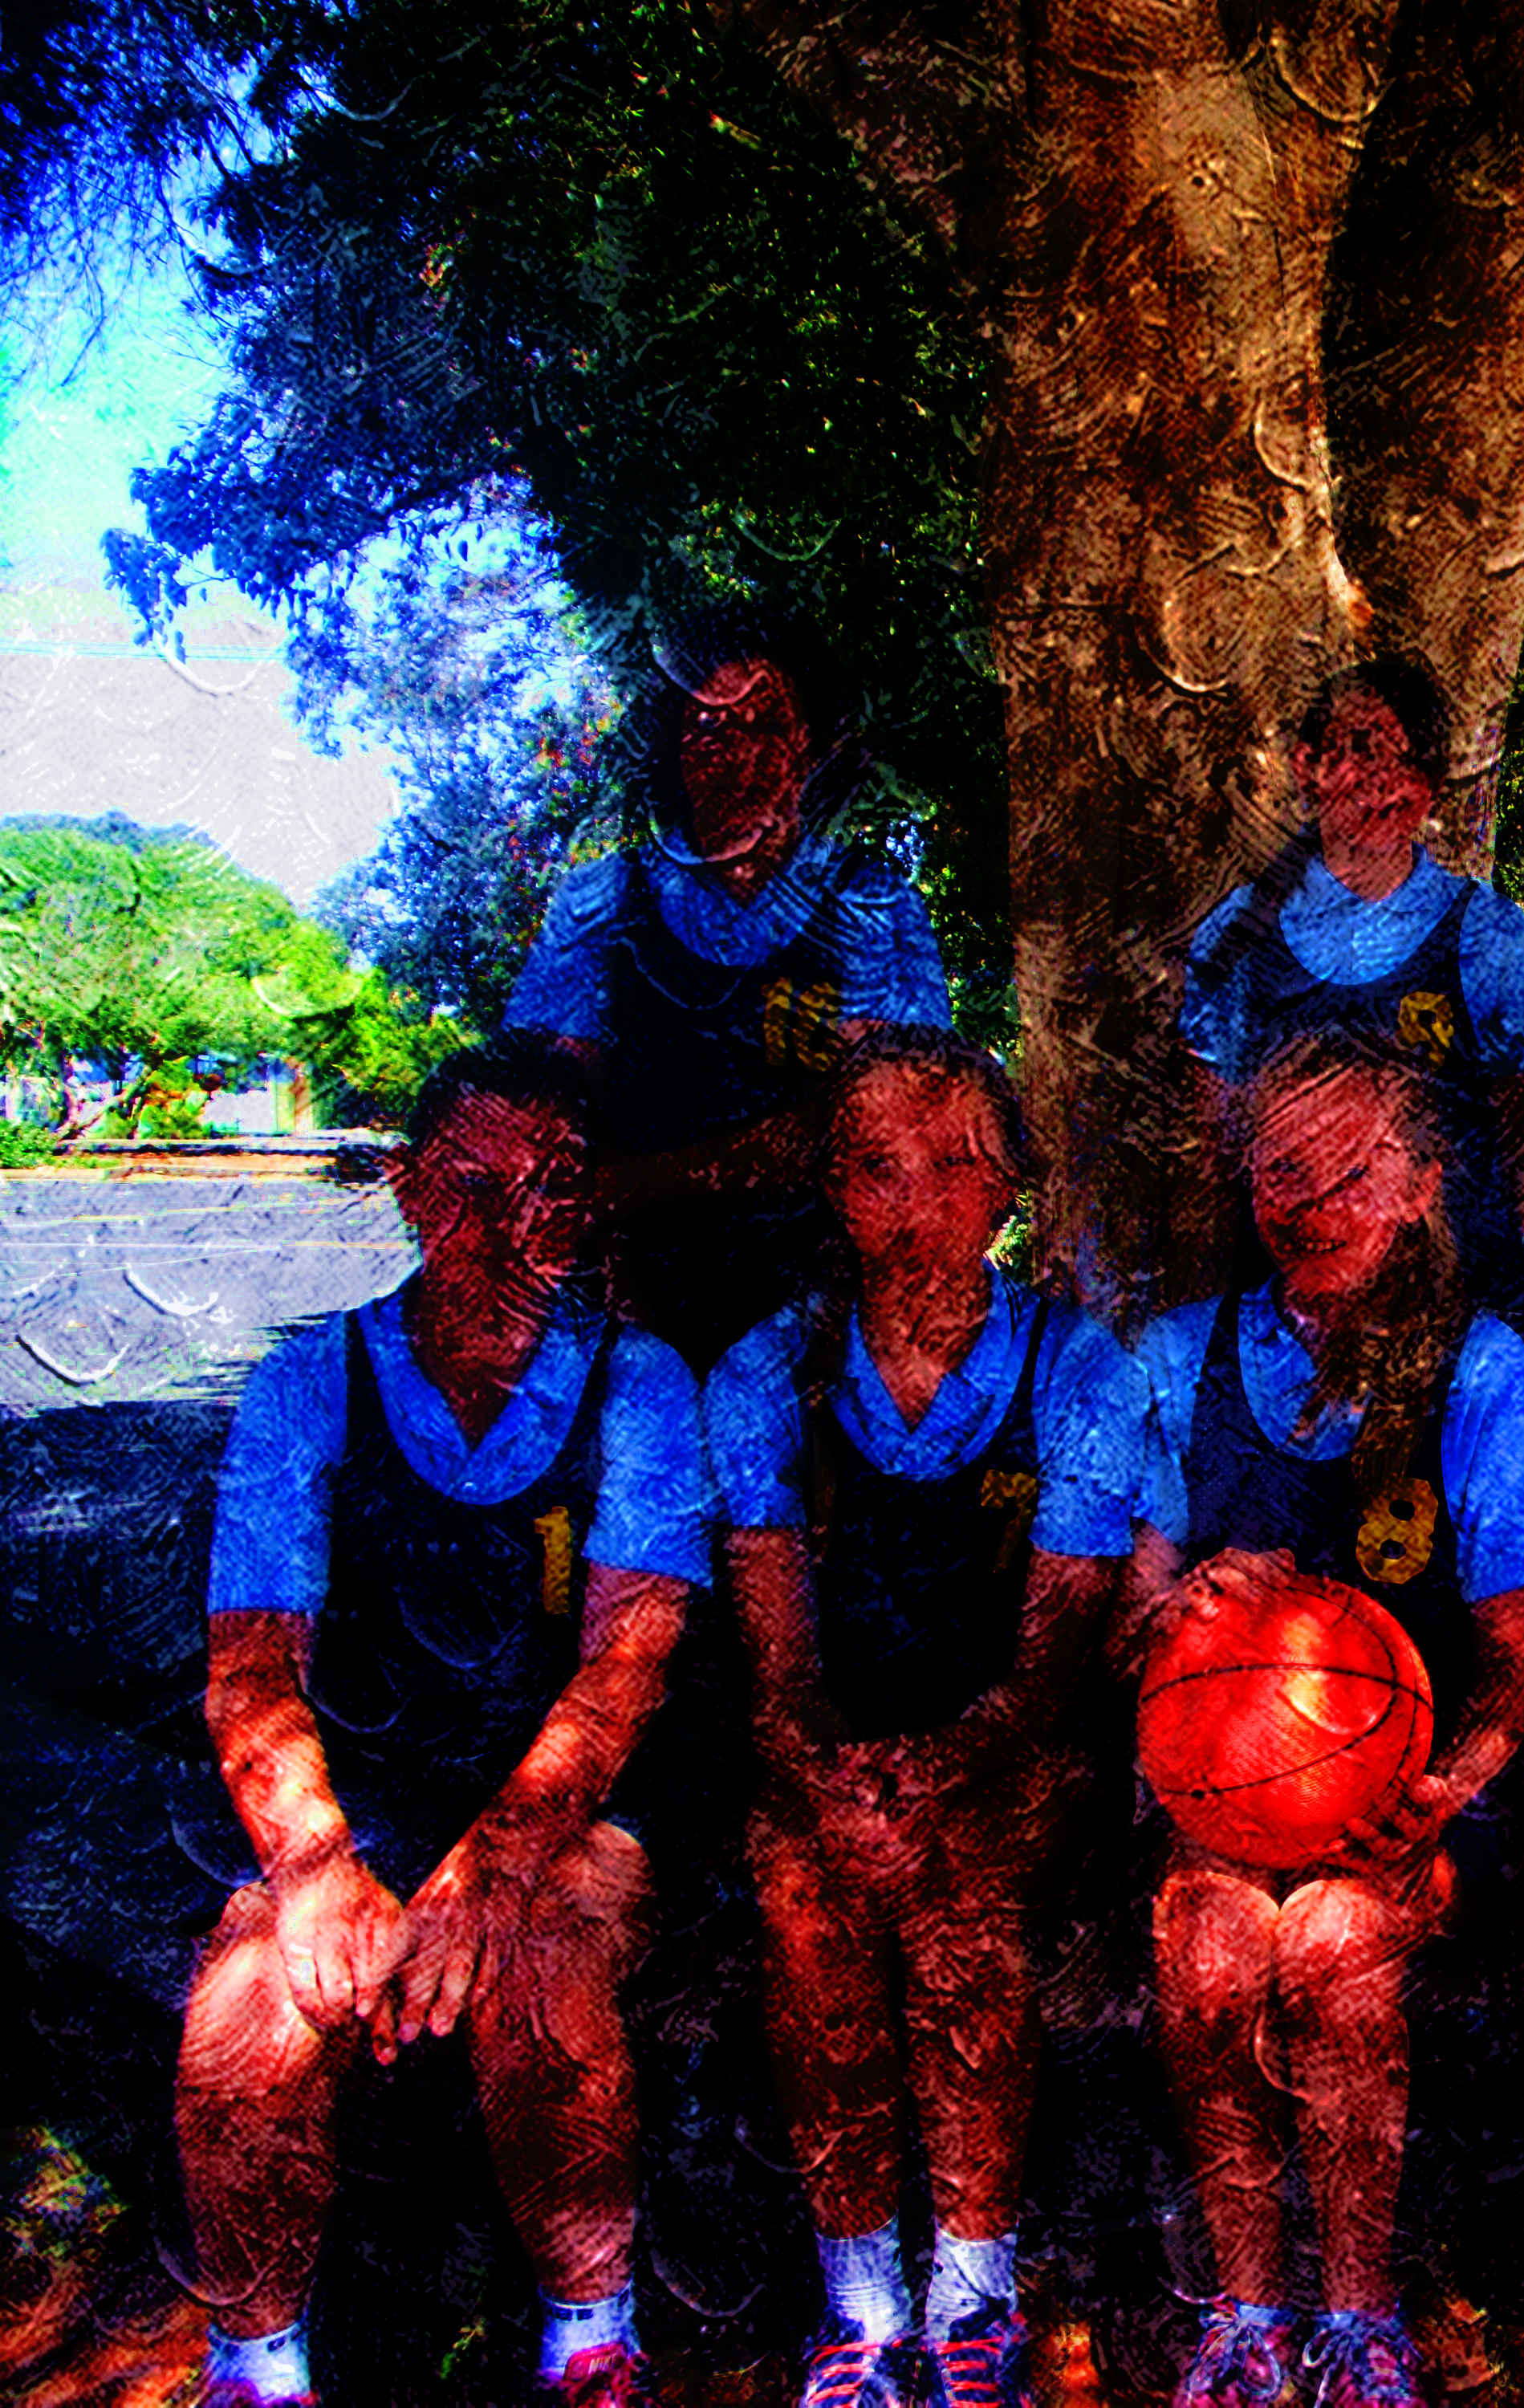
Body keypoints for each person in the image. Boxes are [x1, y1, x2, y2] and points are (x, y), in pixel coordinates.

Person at [177, 1037, 713, 2408]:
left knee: (542, 1969)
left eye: (546, 1193)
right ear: (411, 1189)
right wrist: (314, 1868)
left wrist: (491, 1871)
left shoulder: (639, 1383)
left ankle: (590, 2344)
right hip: (358, 1802)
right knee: (250, 2008)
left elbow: (626, 1669)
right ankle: (257, 2368)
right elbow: (253, 1666)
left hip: (567, 1807)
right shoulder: (309, 1381)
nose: (505, 1229)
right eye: (472, 1187)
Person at [1133, 1029, 1524, 2408]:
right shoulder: (1179, 1355)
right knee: (1211, 1953)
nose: (1316, 1203)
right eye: (1284, 1171)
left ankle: (1359, 2311)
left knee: (1338, 1948)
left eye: (1353, 1172)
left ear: (1422, 1188)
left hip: (1412, 1793)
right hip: (1219, 1797)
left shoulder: (1482, 1368)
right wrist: (1179, 1609)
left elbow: (1516, 1667)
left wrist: (1445, 1789)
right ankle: (1245, 2308)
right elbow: (1121, 1625)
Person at [705, 1028, 1151, 2408]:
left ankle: (973, 2289)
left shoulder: (1077, 1367)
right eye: (880, 1170)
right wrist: (832, 1777)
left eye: (958, 1167)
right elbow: (776, 1663)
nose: (920, 1207)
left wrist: (944, 1769)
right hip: (834, 1750)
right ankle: (860, 2301)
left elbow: (1055, 1657)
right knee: (806, 1903)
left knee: (963, 1907)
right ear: (835, 1189)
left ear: (1010, 1185)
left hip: (1016, 1746)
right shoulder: (770, 1370)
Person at [507, 612, 950, 1369]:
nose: (737, 750)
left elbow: (892, 1140)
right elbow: (539, 1120)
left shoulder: (872, 907)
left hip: (823, 1324)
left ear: (811, 746)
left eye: (766, 722)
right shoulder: (602, 901)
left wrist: (632, 1182)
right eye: (709, 726)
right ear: (675, 750)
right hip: (622, 1309)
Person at [1181, 658, 1524, 1305]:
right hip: (1289, 1303)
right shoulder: (1237, 937)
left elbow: (1510, 1142)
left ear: (1433, 787)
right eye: (1360, 751)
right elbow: (1219, 1145)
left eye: (1409, 761)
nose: (1383, 781)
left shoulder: (1490, 937)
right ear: (1307, 766)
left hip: (1449, 1300)